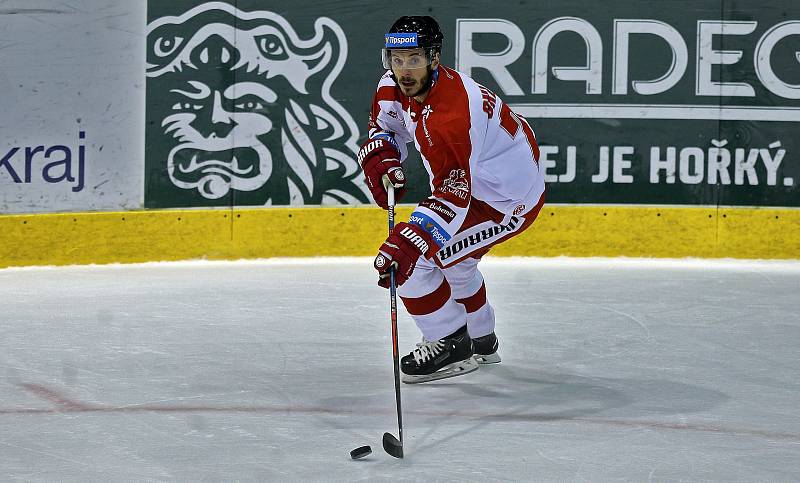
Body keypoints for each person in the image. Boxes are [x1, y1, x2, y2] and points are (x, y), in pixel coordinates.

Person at [358, 15, 546, 383]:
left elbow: (453, 194)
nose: (404, 70)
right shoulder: (392, 87)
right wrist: (384, 154)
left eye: (413, 59)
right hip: (481, 178)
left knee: (412, 263)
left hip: (506, 199)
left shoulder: (452, 116)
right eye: (396, 60)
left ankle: (450, 340)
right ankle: (483, 340)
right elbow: (385, 126)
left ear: (434, 58)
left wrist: (412, 240)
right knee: (456, 263)